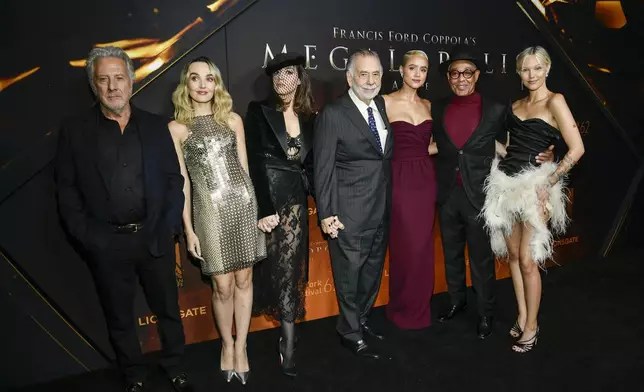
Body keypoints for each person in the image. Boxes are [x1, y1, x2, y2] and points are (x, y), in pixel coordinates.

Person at [55, 46, 192, 392]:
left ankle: (176, 366)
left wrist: (169, 225)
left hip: (155, 236)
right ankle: (134, 375)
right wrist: (88, 237)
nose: (113, 86)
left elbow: (174, 180)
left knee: (169, 311)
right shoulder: (75, 130)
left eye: (119, 78)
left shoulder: (156, 126)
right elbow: (67, 191)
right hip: (107, 243)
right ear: (93, 85)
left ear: (131, 82)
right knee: (119, 318)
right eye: (104, 80)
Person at [431, 46, 554, 339]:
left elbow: (521, 140)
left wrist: (548, 154)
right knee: (451, 254)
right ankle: (457, 301)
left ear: (476, 76)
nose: (461, 78)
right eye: (455, 73)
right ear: (448, 77)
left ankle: (485, 313)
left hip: (481, 194)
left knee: (481, 258)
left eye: (467, 73)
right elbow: (441, 144)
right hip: (447, 192)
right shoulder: (437, 107)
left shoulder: (498, 109)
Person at [168, 56, 265, 385]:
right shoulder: (177, 129)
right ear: (186, 85)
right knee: (222, 286)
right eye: (195, 78)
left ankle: (242, 346)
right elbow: (182, 181)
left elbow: (245, 168)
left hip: (241, 206)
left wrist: (256, 211)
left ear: (217, 84)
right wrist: (188, 228)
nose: (202, 85)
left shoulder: (232, 120)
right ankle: (226, 344)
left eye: (209, 79)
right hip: (209, 213)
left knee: (244, 281)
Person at [480, 46, 584, 353]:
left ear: (548, 69)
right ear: (518, 73)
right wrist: (478, 141)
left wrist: (549, 181)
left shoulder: (556, 101)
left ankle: (532, 326)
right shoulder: (515, 106)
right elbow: (510, 148)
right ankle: (523, 315)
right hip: (507, 186)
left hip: (535, 187)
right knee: (512, 256)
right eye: (526, 69)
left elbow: (577, 148)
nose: (532, 74)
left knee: (527, 260)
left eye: (537, 68)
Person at [313, 49, 391, 359]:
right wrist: (327, 212)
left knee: (372, 272)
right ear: (349, 77)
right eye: (363, 74)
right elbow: (323, 167)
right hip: (349, 213)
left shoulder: (380, 105)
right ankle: (348, 331)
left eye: (375, 75)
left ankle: (360, 320)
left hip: (381, 208)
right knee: (349, 276)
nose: (370, 81)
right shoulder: (333, 113)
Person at [244, 52, 316, 377]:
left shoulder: (311, 118)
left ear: (299, 78)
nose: (282, 79)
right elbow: (255, 161)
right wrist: (264, 208)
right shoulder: (257, 112)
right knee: (263, 271)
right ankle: (241, 346)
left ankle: (288, 342)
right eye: (276, 74)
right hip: (268, 198)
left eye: (288, 73)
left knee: (290, 269)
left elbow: (312, 166)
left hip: (296, 201)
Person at [382, 50, 438, 329]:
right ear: (401, 70)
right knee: (405, 244)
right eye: (412, 68)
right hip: (399, 177)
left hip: (425, 178)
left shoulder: (429, 105)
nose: (417, 74)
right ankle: (400, 307)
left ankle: (419, 308)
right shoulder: (385, 102)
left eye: (423, 69)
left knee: (423, 245)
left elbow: (437, 144)